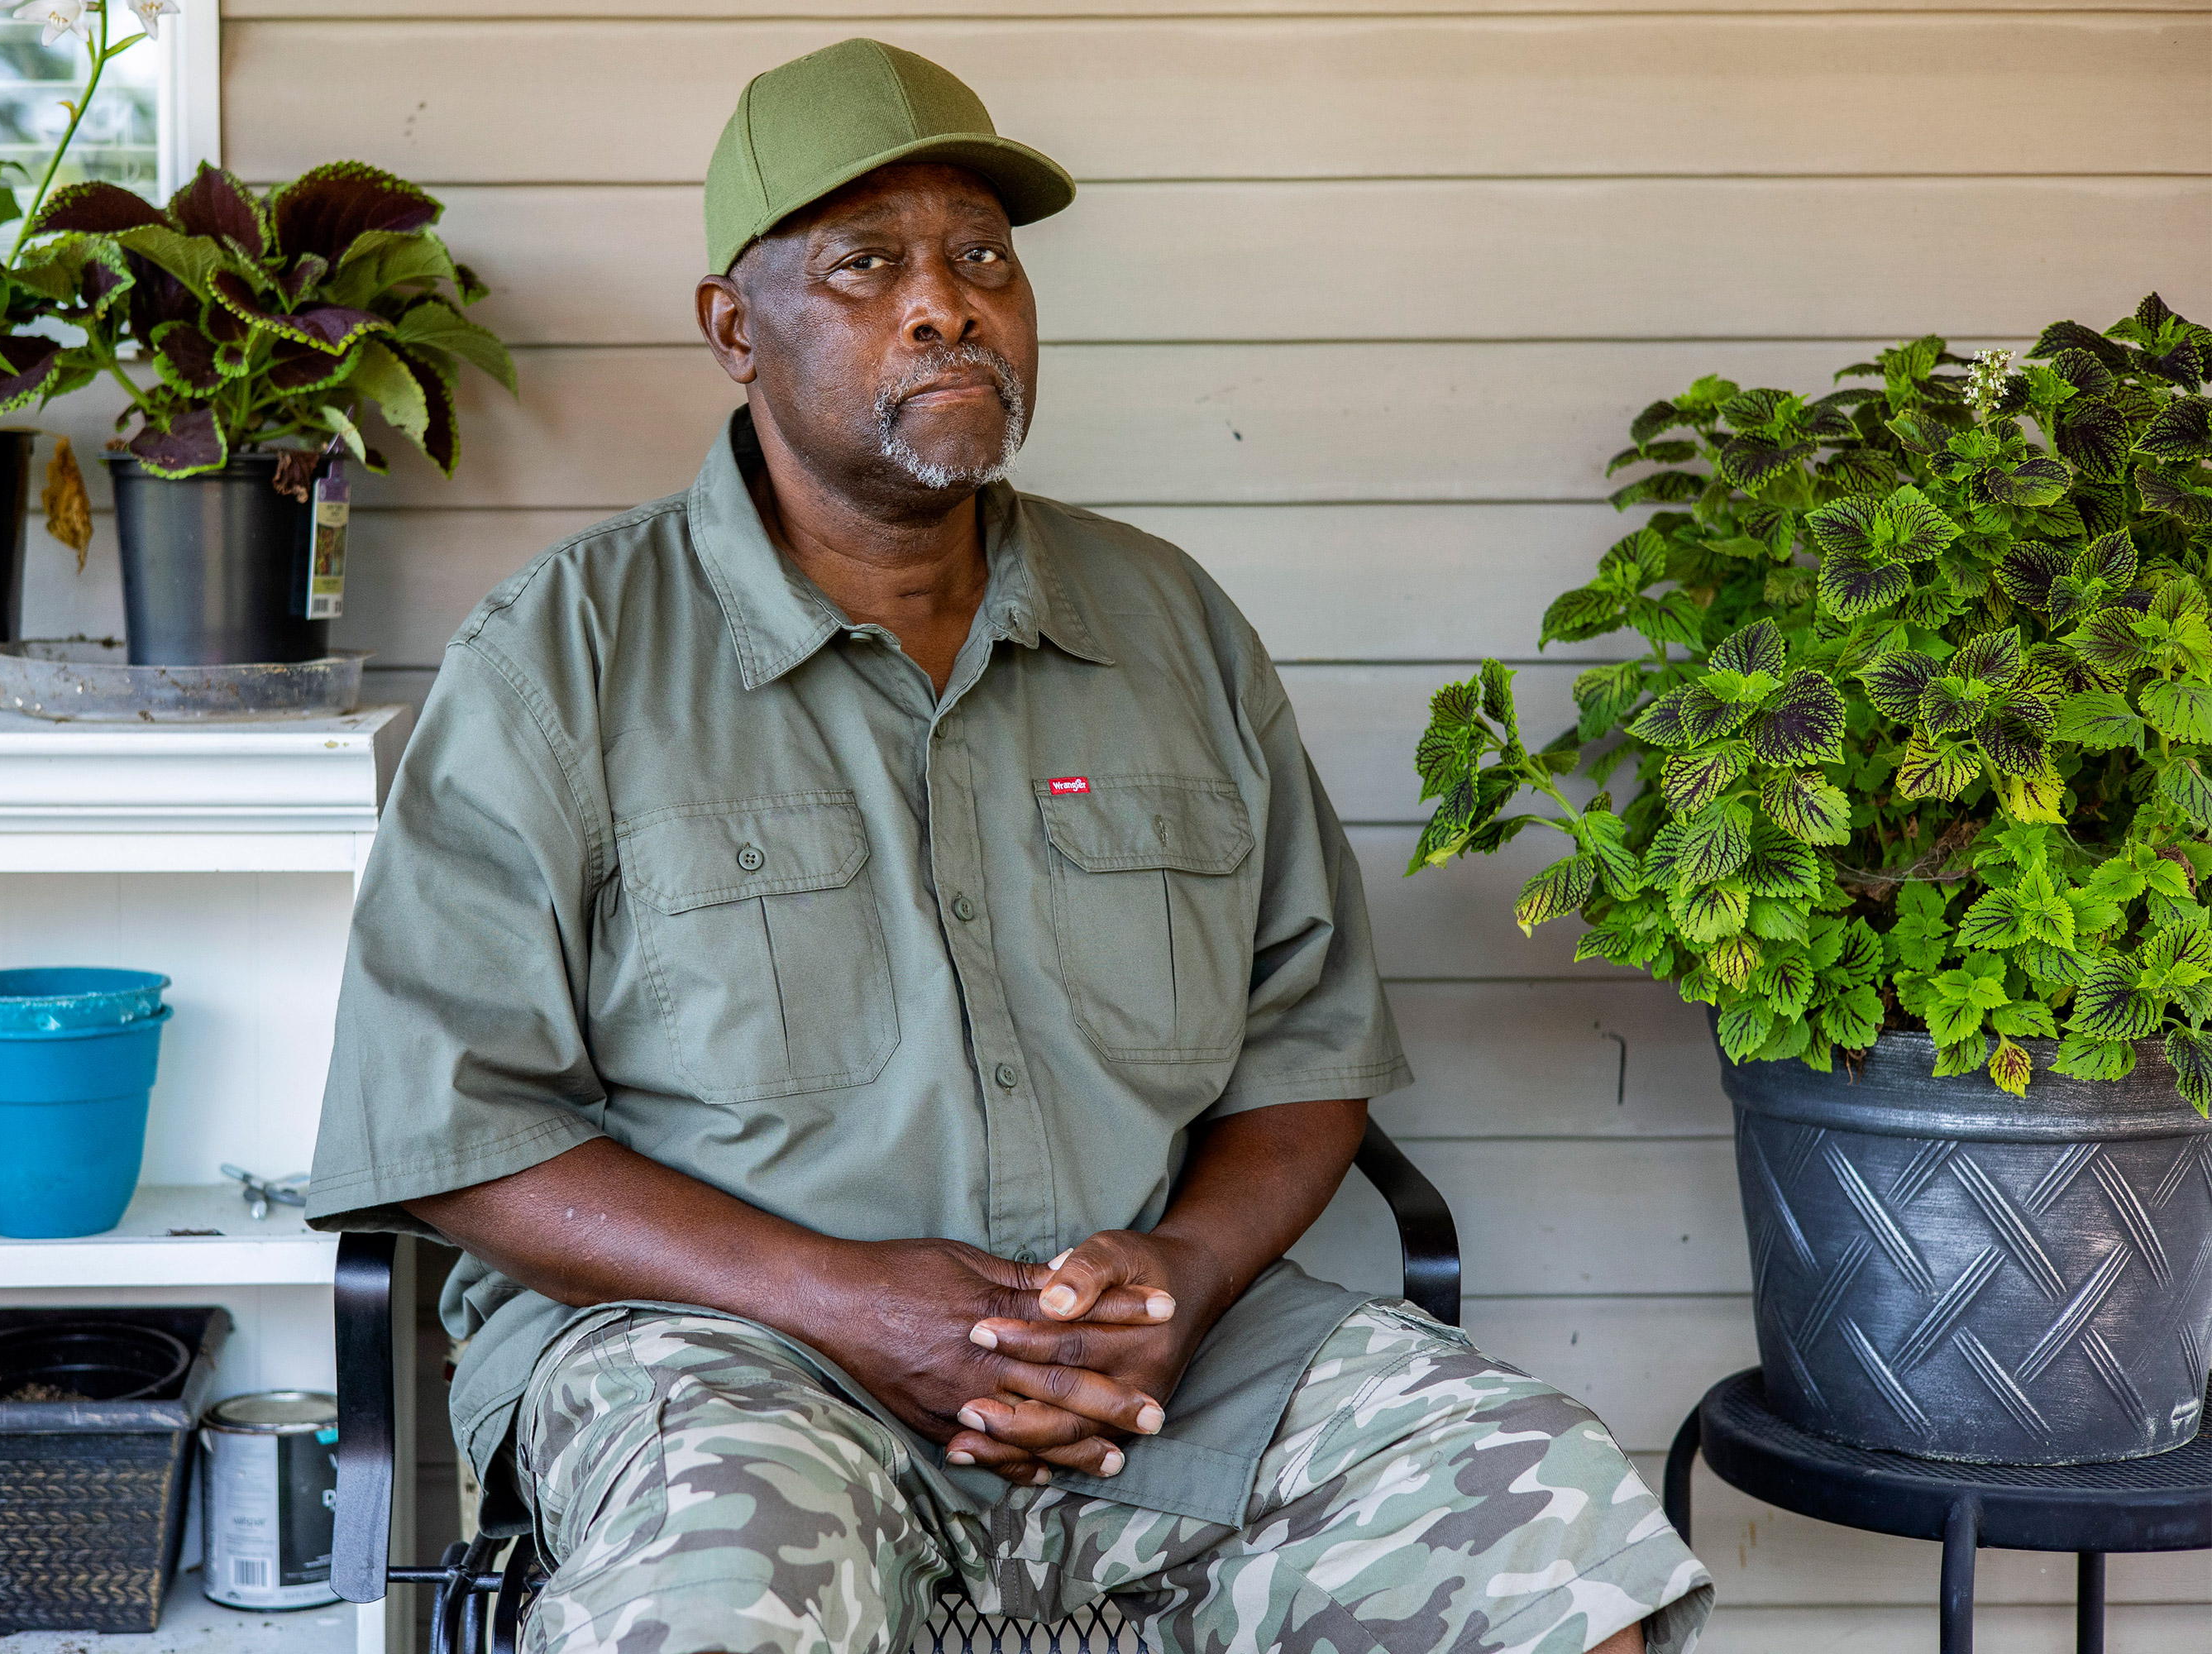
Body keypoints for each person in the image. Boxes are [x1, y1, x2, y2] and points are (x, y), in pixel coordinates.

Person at [307, 37, 1713, 1654]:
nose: (946, 302)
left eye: (983, 257)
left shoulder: (1169, 629)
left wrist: (1181, 1276)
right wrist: (844, 1299)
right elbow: (452, 1125)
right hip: (733, 1363)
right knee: (710, 1615)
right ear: (732, 329)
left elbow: (1305, 1049)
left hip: (1165, 1367)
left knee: (1554, 1541)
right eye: (867, 263)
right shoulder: (564, 659)